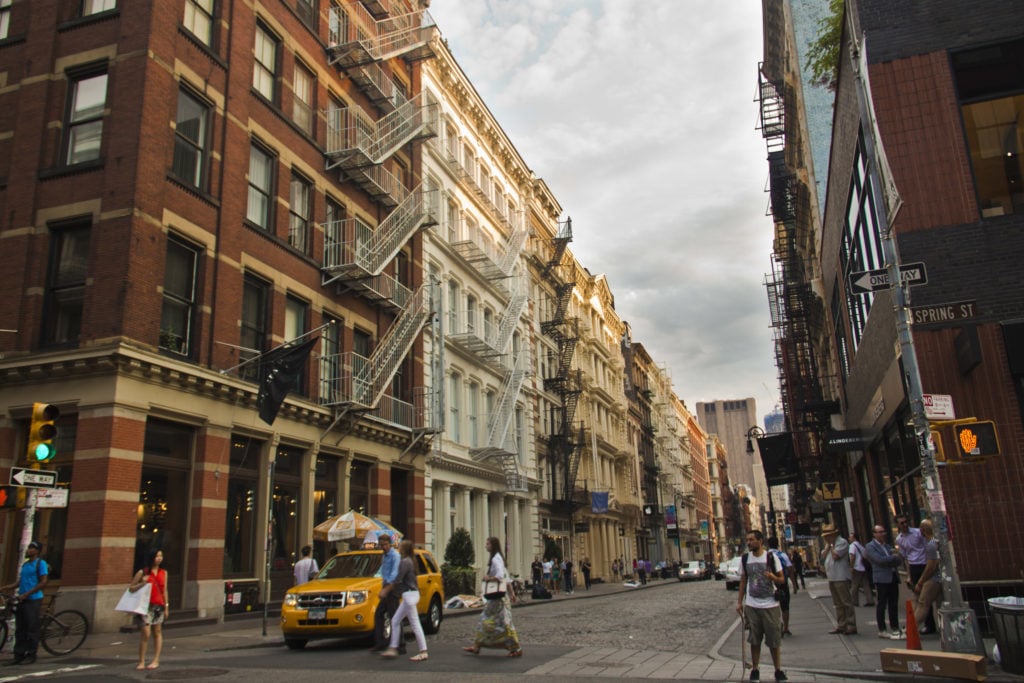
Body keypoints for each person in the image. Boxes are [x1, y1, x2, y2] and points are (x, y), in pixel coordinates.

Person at [736, 530, 787, 682]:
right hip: (752, 605)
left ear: (760, 541)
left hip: (771, 605)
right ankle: (755, 670)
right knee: (754, 639)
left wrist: (772, 577)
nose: (749, 542)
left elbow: (782, 579)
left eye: (752, 539)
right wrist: (739, 602)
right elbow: (743, 581)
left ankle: (778, 670)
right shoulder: (745, 559)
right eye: (747, 540)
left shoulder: (771, 558)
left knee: (774, 640)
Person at [462, 536, 522, 657]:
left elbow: (500, 575)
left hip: (497, 599)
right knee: (498, 622)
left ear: (492, 546)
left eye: (488, 544)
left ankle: (515, 648)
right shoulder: (499, 557)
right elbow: (506, 577)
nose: (486, 546)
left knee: (491, 621)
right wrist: (512, 593)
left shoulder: (495, 559)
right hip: (501, 598)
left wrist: (488, 578)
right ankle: (478, 645)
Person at [379, 540, 428, 662]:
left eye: (400, 547)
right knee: (395, 620)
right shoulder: (410, 561)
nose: (398, 548)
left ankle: (423, 651)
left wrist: (385, 590)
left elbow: (397, 579)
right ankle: (393, 648)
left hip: (409, 595)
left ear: (404, 549)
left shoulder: (405, 562)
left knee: (414, 624)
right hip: (410, 595)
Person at [2, 540, 48, 666]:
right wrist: (6, 587)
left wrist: (27, 594)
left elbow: (43, 582)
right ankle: (19, 655)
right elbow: (20, 582)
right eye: (28, 547)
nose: (28, 550)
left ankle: (31, 654)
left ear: (37, 551)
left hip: (33, 600)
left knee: (31, 628)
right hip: (22, 599)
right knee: (20, 628)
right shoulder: (25, 565)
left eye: (32, 548)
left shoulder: (40, 563)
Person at [129, 549, 169, 670]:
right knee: (145, 633)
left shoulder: (164, 573)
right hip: (145, 606)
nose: (159, 558)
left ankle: (156, 659)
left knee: (157, 632)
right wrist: (142, 583)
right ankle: (141, 661)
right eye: (157, 556)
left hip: (158, 606)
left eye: (161, 556)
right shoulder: (143, 572)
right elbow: (131, 588)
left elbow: (164, 590)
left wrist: (166, 606)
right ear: (152, 557)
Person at [896, 515, 934, 633]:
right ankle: (925, 625)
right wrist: (909, 575)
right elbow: (906, 558)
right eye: (902, 523)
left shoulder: (918, 533)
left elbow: (928, 546)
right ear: (898, 525)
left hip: (925, 565)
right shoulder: (899, 539)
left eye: (906, 521)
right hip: (913, 567)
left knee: (924, 597)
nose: (905, 524)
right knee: (918, 596)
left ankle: (922, 625)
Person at [865, 524, 904, 639]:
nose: (883, 534)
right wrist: (893, 558)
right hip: (881, 579)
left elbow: (899, 559)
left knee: (893, 604)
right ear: (874, 534)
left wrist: (892, 559)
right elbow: (879, 560)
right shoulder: (870, 546)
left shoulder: (887, 546)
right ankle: (882, 629)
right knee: (882, 604)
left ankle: (895, 627)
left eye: (883, 531)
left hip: (893, 577)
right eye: (880, 532)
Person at [820, 523, 856, 635]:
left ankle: (851, 625)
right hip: (832, 577)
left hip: (841, 577)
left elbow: (836, 556)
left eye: (828, 536)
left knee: (846, 602)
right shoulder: (829, 545)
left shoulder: (842, 542)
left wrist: (831, 546)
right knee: (837, 603)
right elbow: (823, 556)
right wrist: (828, 546)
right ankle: (841, 624)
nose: (826, 538)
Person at [371, 534, 403, 653]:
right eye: (381, 545)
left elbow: (394, 574)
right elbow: (383, 571)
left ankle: (400, 644)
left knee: (394, 616)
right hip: (386, 586)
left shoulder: (395, 555)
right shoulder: (384, 556)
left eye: (384, 545)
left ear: (389, 544)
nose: (383, 547)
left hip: (393, 588)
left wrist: (386, 589)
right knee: (379, 614)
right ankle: (381, 642)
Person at [912, 519, 942, 635]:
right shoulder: (937, 542)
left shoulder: (931, 545)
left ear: (923, 530)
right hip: (940, 578)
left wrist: (920, 581)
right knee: (940, 604)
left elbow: (931, 566)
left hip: (934, 579)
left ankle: (910, 630)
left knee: (923, 604)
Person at [767, 537, 794, 637]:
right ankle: (786, 628)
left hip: (770, 584)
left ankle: (778, 625)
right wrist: (794, 584)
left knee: (772, 606)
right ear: (777, 544)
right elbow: (790, 569)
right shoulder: (782, 555)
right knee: (785, 606)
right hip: (783, 584)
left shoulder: (766, 556)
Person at [849, 532, 874, 607]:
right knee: (866, 584)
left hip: (857, 567)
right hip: (863, 567)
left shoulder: (852, 546)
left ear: (854, 538)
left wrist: (851, 567)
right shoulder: (860, 545)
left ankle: (854, 601)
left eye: (850, 537)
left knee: (854, 585)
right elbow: (866, 556)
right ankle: (870, 600)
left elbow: (852, 557)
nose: (849, 538)